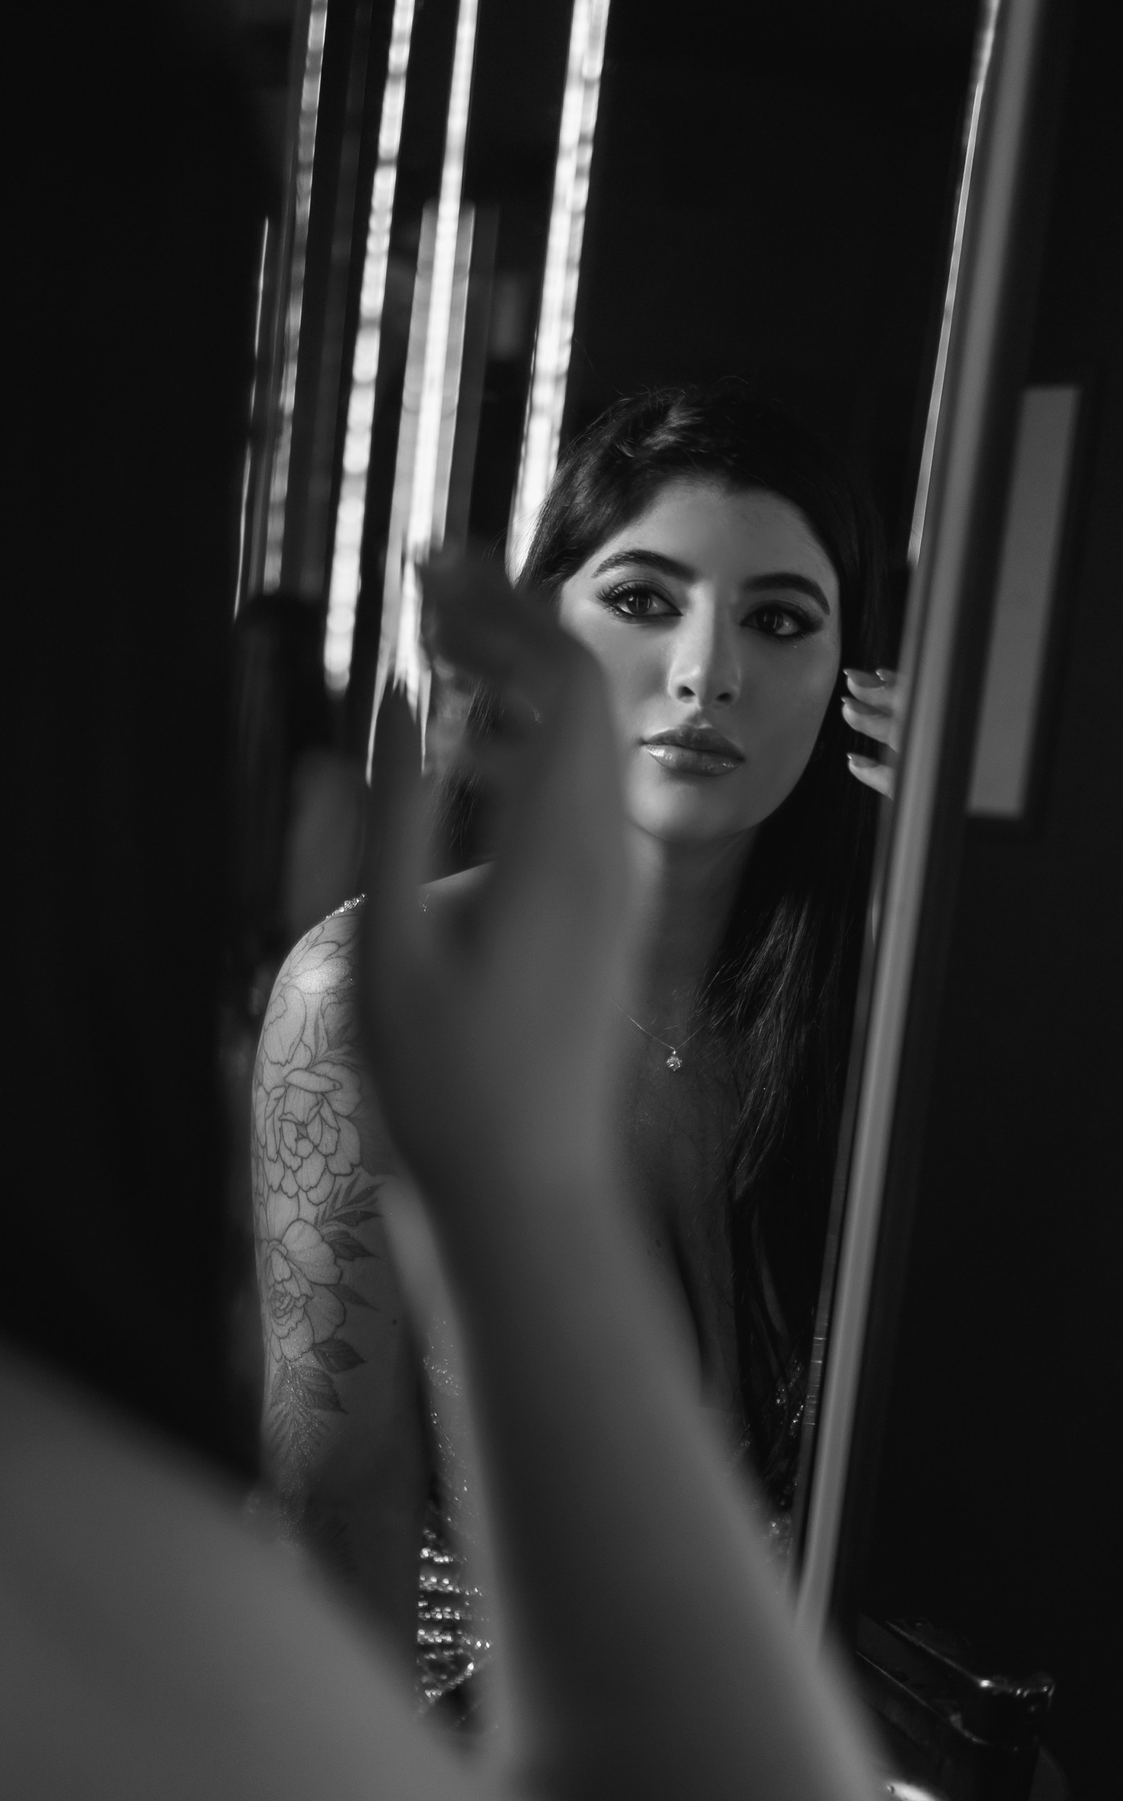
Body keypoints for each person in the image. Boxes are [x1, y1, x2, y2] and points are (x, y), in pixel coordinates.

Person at [253, 383, 904, 1702]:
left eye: (779, 619)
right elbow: (335, 1510)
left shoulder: (874, 1012)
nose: (707, 672)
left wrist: (959, 864)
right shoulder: (371, 994)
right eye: (644, 599)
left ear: (857, 677)